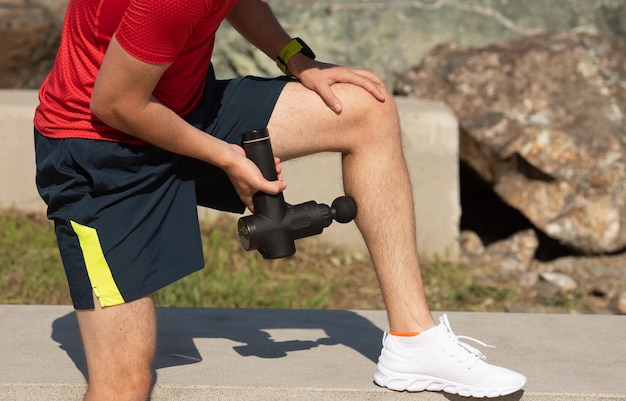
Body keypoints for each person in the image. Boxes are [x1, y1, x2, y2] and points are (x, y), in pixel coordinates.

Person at [33, 0, 527, 399]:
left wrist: (297, 59)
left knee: (364, 109)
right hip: (99, 150)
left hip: (182, 107)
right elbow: (116, 103)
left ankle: (414, 341)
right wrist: (228, 158)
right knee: (125, 385)